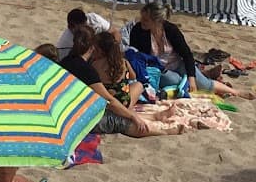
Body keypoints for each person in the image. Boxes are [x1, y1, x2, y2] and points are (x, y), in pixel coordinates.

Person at [37, 36, 180, 138]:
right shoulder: (86, 68)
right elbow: (110, 100)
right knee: (119, 121)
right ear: (91, 48)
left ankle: (155, 116)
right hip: (73, 118)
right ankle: (166, 131)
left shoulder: (63, 64)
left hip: (67, 112)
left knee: (114, 114)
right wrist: (133, 117)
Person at [129, 4, 256, 100]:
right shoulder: (138, 31)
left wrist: (191, 77)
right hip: (159, 70)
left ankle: (236, 92)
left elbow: (187, 54)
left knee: (200, 82)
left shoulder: (171, 30)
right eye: (142, 18)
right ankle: (204, 81)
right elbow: (136, 56)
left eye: (146, 20)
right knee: (176, 81)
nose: (142, 22)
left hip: (178, 63)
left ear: (157, 22)